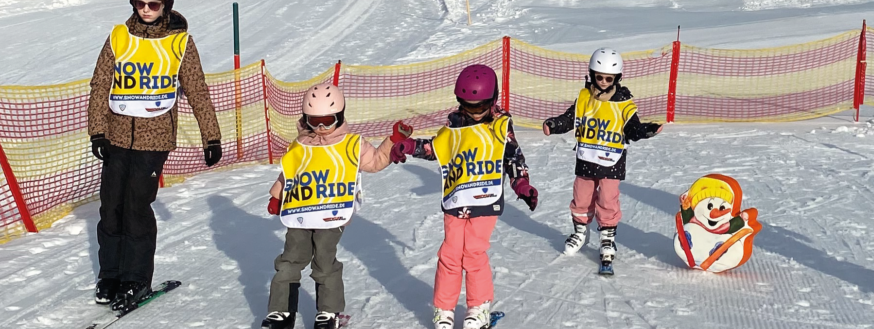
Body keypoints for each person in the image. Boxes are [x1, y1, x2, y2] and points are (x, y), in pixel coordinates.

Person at [87, 0, 223, 311]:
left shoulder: (180, 41)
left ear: (167, 4)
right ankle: (111, 274)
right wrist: (97, 130)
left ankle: (135, 277)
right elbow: (101, 83)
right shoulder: (119, 36)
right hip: (117, 134)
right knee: (111, 207)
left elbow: (196, 88)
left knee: (135, 207)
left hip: (155, 139)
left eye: (154, 4)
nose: (146, 10)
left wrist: (211, 137)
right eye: (140, 3)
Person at [390, 65, 537, 329]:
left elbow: (513, 157)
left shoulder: (500, 125)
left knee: (473, 253)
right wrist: (410, 146)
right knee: (449, 254)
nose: (474, 112)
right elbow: (438, 148)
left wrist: (522, 184)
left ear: (491, 101)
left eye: (479, 106)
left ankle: (478, 308)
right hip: (457, 198)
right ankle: (444, 309)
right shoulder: (455, 122)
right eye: (468, 106)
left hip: (484, 199)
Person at [261, 84, 413, 329]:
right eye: (314, 121)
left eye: (327, 121)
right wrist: (277, 196)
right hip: (300, 213)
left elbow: (374, 162)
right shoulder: (300, 145)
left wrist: (393, 142)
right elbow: (289, 174)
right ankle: (281, 311)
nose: (320, 128)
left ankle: (328, 312)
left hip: (331, 214)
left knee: (324, 260)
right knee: (290, 260)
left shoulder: (351, 144)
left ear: (339, 116)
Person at [542, 48, 662, 268]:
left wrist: (645, 130)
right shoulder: (585, 97)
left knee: (607, 199)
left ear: (617, 78)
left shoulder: (623, 103)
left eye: (609, 78)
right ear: (592, 75)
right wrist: (554, 124)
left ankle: (607, 238)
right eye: (599, 77)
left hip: (611, 163)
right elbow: (570, 118)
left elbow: (633, 128)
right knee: (581, 198)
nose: (604, 81)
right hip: (587, 159)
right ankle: (580, 232)